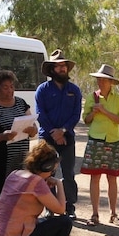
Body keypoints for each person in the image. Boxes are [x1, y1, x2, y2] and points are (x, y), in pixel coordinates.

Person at [0, 70, 37, 213]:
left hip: (20, 159)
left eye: (12, 86)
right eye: (5, 87)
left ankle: (16, 230)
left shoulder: (21, 103)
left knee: (20, 196)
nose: (10, 90)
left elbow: (34, 128)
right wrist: (2, 136)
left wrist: (32, 130)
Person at [35, 49, 82, 218]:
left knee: (69, 173)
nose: (62, 69)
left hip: (67, 138)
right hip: (47, 139)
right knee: (47, 173)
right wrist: (54, 133)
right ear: (52, 70)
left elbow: (76, 115)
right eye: (58, 66)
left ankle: (69, 208)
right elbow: (40, 114)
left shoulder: (74, 90)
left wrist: (63, 131)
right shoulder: (42, 90)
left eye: (64, 66)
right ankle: (50, 207)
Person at [80, 64, 119, 226]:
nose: (100, 82)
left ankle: (113, 214)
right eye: (99, 79)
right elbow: (85, 120)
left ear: (111, 82)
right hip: (96, 140)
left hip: (113, 141)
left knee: (112, 178)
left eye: (104, 80)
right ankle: (94, 214)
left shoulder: (118, 99)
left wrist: (104, 111)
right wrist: (93, 112)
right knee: (95, 177)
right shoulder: (91, 97)